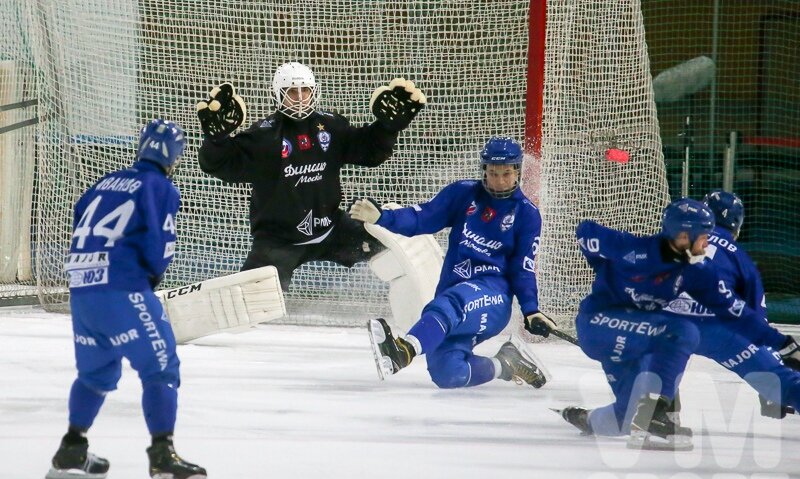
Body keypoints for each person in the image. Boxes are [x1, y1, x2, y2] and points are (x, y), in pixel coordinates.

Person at [46, 119, 209, 479]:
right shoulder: (159, 185)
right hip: (122, 289)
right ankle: (163, 458)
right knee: (161, 366)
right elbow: (158, 243)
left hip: (83, 292)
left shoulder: (103, 183)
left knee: (96, 375)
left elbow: (77, 226)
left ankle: (71, 450)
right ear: (174, 156)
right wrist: (149, 280)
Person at [555, 197, 795, 450]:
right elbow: (586, 231)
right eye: (703, 237)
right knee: (678, 332)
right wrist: (603, 269)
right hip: (599, 323)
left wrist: (783, 343)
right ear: (682, 237)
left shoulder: (696, 271)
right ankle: (660, 409)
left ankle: (584, 418)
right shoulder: (632, 250)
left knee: (628, 418)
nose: (707, 244)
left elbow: (735, 312)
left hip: (639, 334)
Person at [350, 136, 558, 389]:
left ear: (517, 172)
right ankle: (508, 363)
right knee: (447, 373)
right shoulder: (463, 193)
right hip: (454, 290)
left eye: (506, 173)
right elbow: (422, 218)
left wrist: (531, 309)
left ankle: (403, 351)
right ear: (484, 170)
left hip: (493, 298)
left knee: (450, 303)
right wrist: (383, 217)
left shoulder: (527, 214)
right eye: (493, 173)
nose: (500, 180)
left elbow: (523, 267)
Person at [196, 62, 426, 290]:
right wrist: (216, 141)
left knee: (389, 246)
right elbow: (222, 165)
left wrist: (386, 129)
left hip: (332, 230)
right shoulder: (263, 136)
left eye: (304, 90)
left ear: (314, 92)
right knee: (252, 298)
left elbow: (368, 153)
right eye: (291, 92)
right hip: (279, 241)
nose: (299, 98)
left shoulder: (331, 126)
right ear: (277, 95)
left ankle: (423, 303)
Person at [663, 190, 800, 418]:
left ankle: (657, 411)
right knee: (785, 384)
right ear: (736, 227)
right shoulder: (739, 258)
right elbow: (758, 322)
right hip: (720, 331)